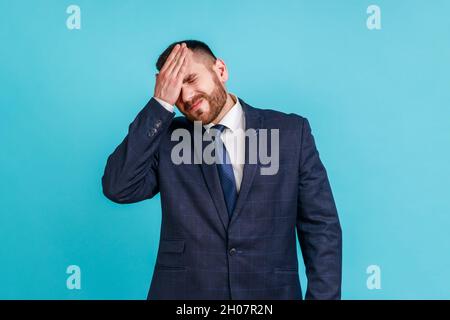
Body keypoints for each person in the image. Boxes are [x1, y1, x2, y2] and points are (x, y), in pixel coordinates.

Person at [102, 40, 342, 300]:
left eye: (191, 79)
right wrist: (160, 104)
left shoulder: (291, 132)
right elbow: (118, 187)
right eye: (174, 89)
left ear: (221, 70)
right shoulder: (165, 140)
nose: (186, 96)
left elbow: (321, 228)